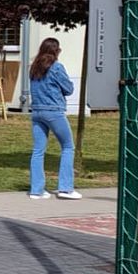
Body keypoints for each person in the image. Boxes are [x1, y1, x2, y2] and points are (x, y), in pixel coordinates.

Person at [28, 37, 81, 200]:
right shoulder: (57, 67)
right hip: (53, 111)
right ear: (56, 51)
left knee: (38, 150)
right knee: (68, 147)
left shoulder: (34, 67)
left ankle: (36, 190)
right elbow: (69, 89)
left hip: (37, 111)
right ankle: (65, 188)